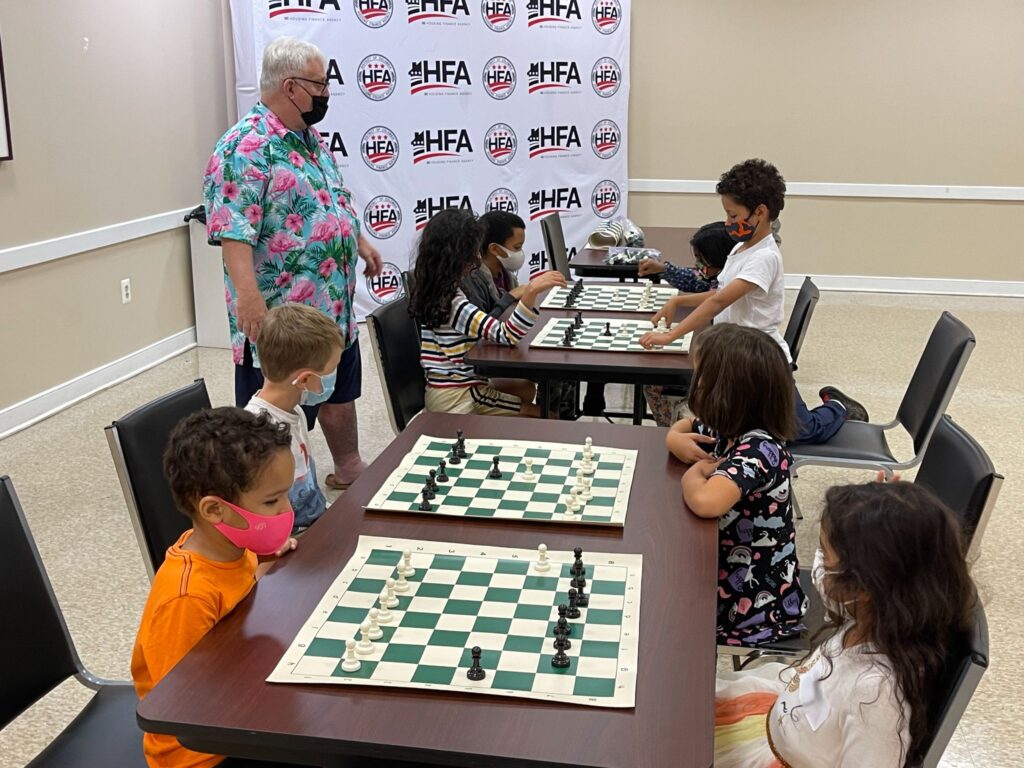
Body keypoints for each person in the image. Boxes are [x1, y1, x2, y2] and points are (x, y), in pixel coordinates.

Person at [202, 36, 382, 492]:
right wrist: (248, 299)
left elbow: (332, 199)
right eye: (319, 85)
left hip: (333, 305)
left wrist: (359, 241)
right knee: (275, 406)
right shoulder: (244, 147)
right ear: (291, 86)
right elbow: (233, 231)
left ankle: (348, 465)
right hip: (283, 315)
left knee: (339, 385)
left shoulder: (308, 138)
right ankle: (268, 492)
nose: (326, 93)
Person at [714, 480, 977, 767]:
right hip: (778, 720)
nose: (817, 565)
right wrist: (875, 513)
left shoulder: (877, 697)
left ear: (863, 586)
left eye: (824, 556)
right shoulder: (868, 615)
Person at [639, 159, 868, 442]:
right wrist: (678, 302)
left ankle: (839, 406)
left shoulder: (765, 258)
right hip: (737, 355)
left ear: (760, 212)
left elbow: (718, 303)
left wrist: (671, 335)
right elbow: (719, 293)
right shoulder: (740, 247)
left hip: (763, 362)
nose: (727, 222)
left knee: (800, 430)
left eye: (733, 215)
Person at [132, 408, 298, 768]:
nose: (287, 509)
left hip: (239, 711)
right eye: (272, 501)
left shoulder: (232, 546)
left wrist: (266, 553)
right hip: (202, 752)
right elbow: (183, 704)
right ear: (214, 510)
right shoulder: (187, 598)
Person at [667, 324, 806, 645]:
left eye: (702, 380)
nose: (696, 387)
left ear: (728, 394)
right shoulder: (732, 426)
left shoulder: (758, 449)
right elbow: (685, 425)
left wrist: (693, 475)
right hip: (724, 566)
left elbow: (705, 503)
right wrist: (675, 438)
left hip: (752, 604)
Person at [409, 208, 566, 417]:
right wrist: (531, 291)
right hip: (461, 394)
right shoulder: (455, 304)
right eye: (472, 252)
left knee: (526, 389)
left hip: (445, 387)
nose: (477, 258)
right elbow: (507, 334)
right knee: (548, 416)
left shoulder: (438, 291)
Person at [243, 303, 343, 532]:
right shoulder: (259, 435)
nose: (334, 376)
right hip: (292, 539)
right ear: (305, 379)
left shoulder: (294, 410)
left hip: (316, 522)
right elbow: (260, 521)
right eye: (333, 369)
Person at [639, 222, 735, 426]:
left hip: (723, 362)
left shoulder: (731, 280)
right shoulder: (718, 272)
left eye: (701, 259)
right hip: (718, 347)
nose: (698, 264)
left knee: (654, 383)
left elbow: (716, 296)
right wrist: (664, 269)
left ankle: (673, 429)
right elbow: (696, 280)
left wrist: (677, 302)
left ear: (720, 258)